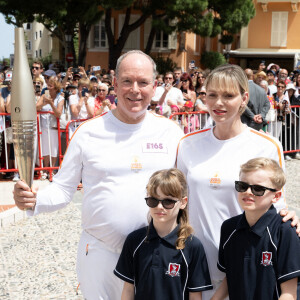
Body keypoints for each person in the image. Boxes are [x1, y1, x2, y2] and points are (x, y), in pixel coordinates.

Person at [13, 50, 184, 299]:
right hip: (100, 254)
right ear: (115, 84)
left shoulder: (171, 133)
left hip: (156, 254)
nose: (134, 89)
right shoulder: (88, 132)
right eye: (127, 81)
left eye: (143, 82)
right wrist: (33, 199)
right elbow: (62, 189)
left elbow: (190, 192)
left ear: (154, 86)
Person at [176, 64, 300, 300]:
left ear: (244, 98)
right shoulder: (187, 144)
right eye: (211, 95)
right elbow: (178, 203)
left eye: (228, 95)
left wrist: (292, 218)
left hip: (245, 273)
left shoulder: (266, 145)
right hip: (195, 271)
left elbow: (277, 206)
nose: (218, 103)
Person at [114, 168, 212, 300]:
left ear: (183, 202)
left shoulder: (192, 245)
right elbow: (128, 289)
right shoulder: (134, 240)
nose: (159, 207)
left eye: (168, 201)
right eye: (153, 200)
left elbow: (195, 296)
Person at [212, 158, 300, 300]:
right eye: (242, 186)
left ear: (276, 196)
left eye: (258, 189)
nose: (248, 192)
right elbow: (230, 277)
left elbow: (289, 294)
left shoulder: (285, 231)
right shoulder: (228, 228)